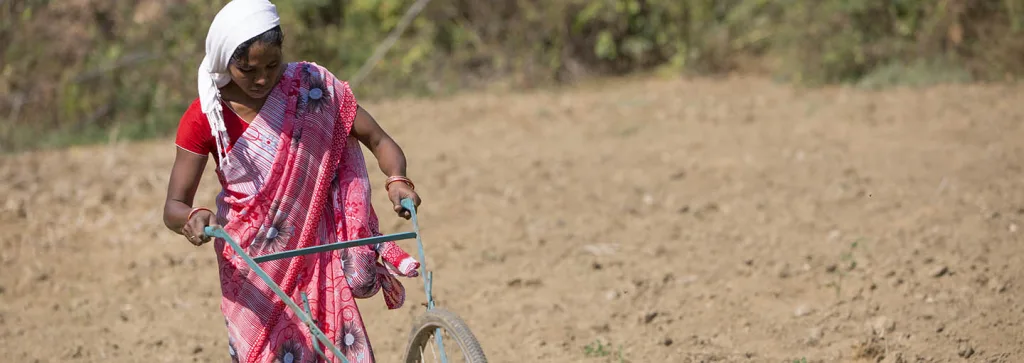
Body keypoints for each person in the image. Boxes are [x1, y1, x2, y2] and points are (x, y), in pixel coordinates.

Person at [161, 1, 422, 362]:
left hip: (317, 248)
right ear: (225, 61)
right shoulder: (206, 117)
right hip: (251, 264)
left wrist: (396, 179)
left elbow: (377, 139)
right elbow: (174, 205)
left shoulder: (311, 89)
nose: (262, 79)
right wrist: (195, 218)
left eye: (272, 65)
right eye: (247, 70)